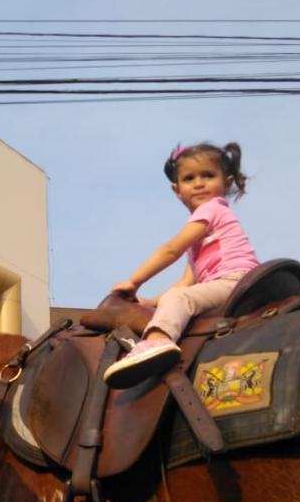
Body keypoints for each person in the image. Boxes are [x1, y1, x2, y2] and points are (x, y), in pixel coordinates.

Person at [103, 142, 259, 389]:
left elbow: (171, 249)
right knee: (179, 295)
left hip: (234, 281)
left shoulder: (211, 210)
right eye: (189, 178)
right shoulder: (203, 236)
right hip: (225, 284)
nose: (199, 183)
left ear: (226, 183)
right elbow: (188, 281)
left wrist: (134, 282)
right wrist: (151, 302)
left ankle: (157, 341)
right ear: (177, 189)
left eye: (208, 175)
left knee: (179, 299)